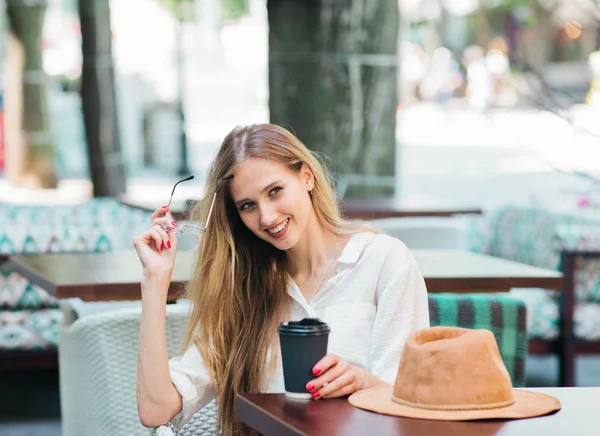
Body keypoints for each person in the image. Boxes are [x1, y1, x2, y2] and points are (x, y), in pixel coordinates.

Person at [134, 124, 430, 435]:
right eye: (248, 206)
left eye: (275, 191)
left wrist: (363, 383)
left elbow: (409, 405)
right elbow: (156, 410)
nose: (267, 217)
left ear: (306, 176)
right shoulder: (244, 289)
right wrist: (155, 279)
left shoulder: (383, 261)